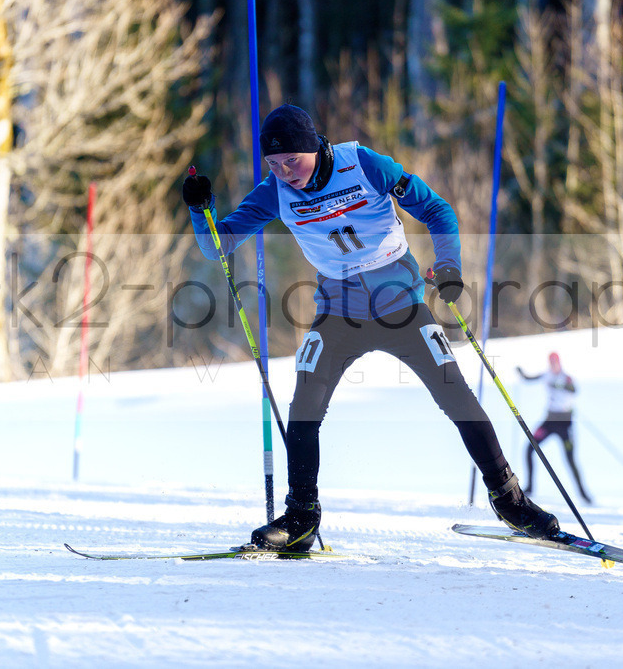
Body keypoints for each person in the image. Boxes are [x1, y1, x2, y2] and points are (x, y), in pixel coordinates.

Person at [181, 104, 560, 551]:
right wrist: (199, 209)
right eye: (275, 164)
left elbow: (437, 210)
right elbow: (216, 247)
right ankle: (301, 517)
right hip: (337, 311)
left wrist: (450, 266)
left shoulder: (364, 165)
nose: (286, 172)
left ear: (315, 147)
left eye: (292, 161)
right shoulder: (274, 192)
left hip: (401, 304)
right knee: (304, 407)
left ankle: (510, 500)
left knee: (456, 396)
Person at [516, 352, 591, 504]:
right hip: (549, 420)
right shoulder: (547, 375)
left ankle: (583, 493)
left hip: (565, 422)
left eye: (555, 362)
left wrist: (561, 385)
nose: (553, 365)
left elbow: (573, 389)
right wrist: (521, 373)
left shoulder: (566, 377)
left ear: (559, 362)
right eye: (551, 362)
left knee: (570, 458)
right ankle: (530, 487)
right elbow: (529, 379)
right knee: (530, 448)